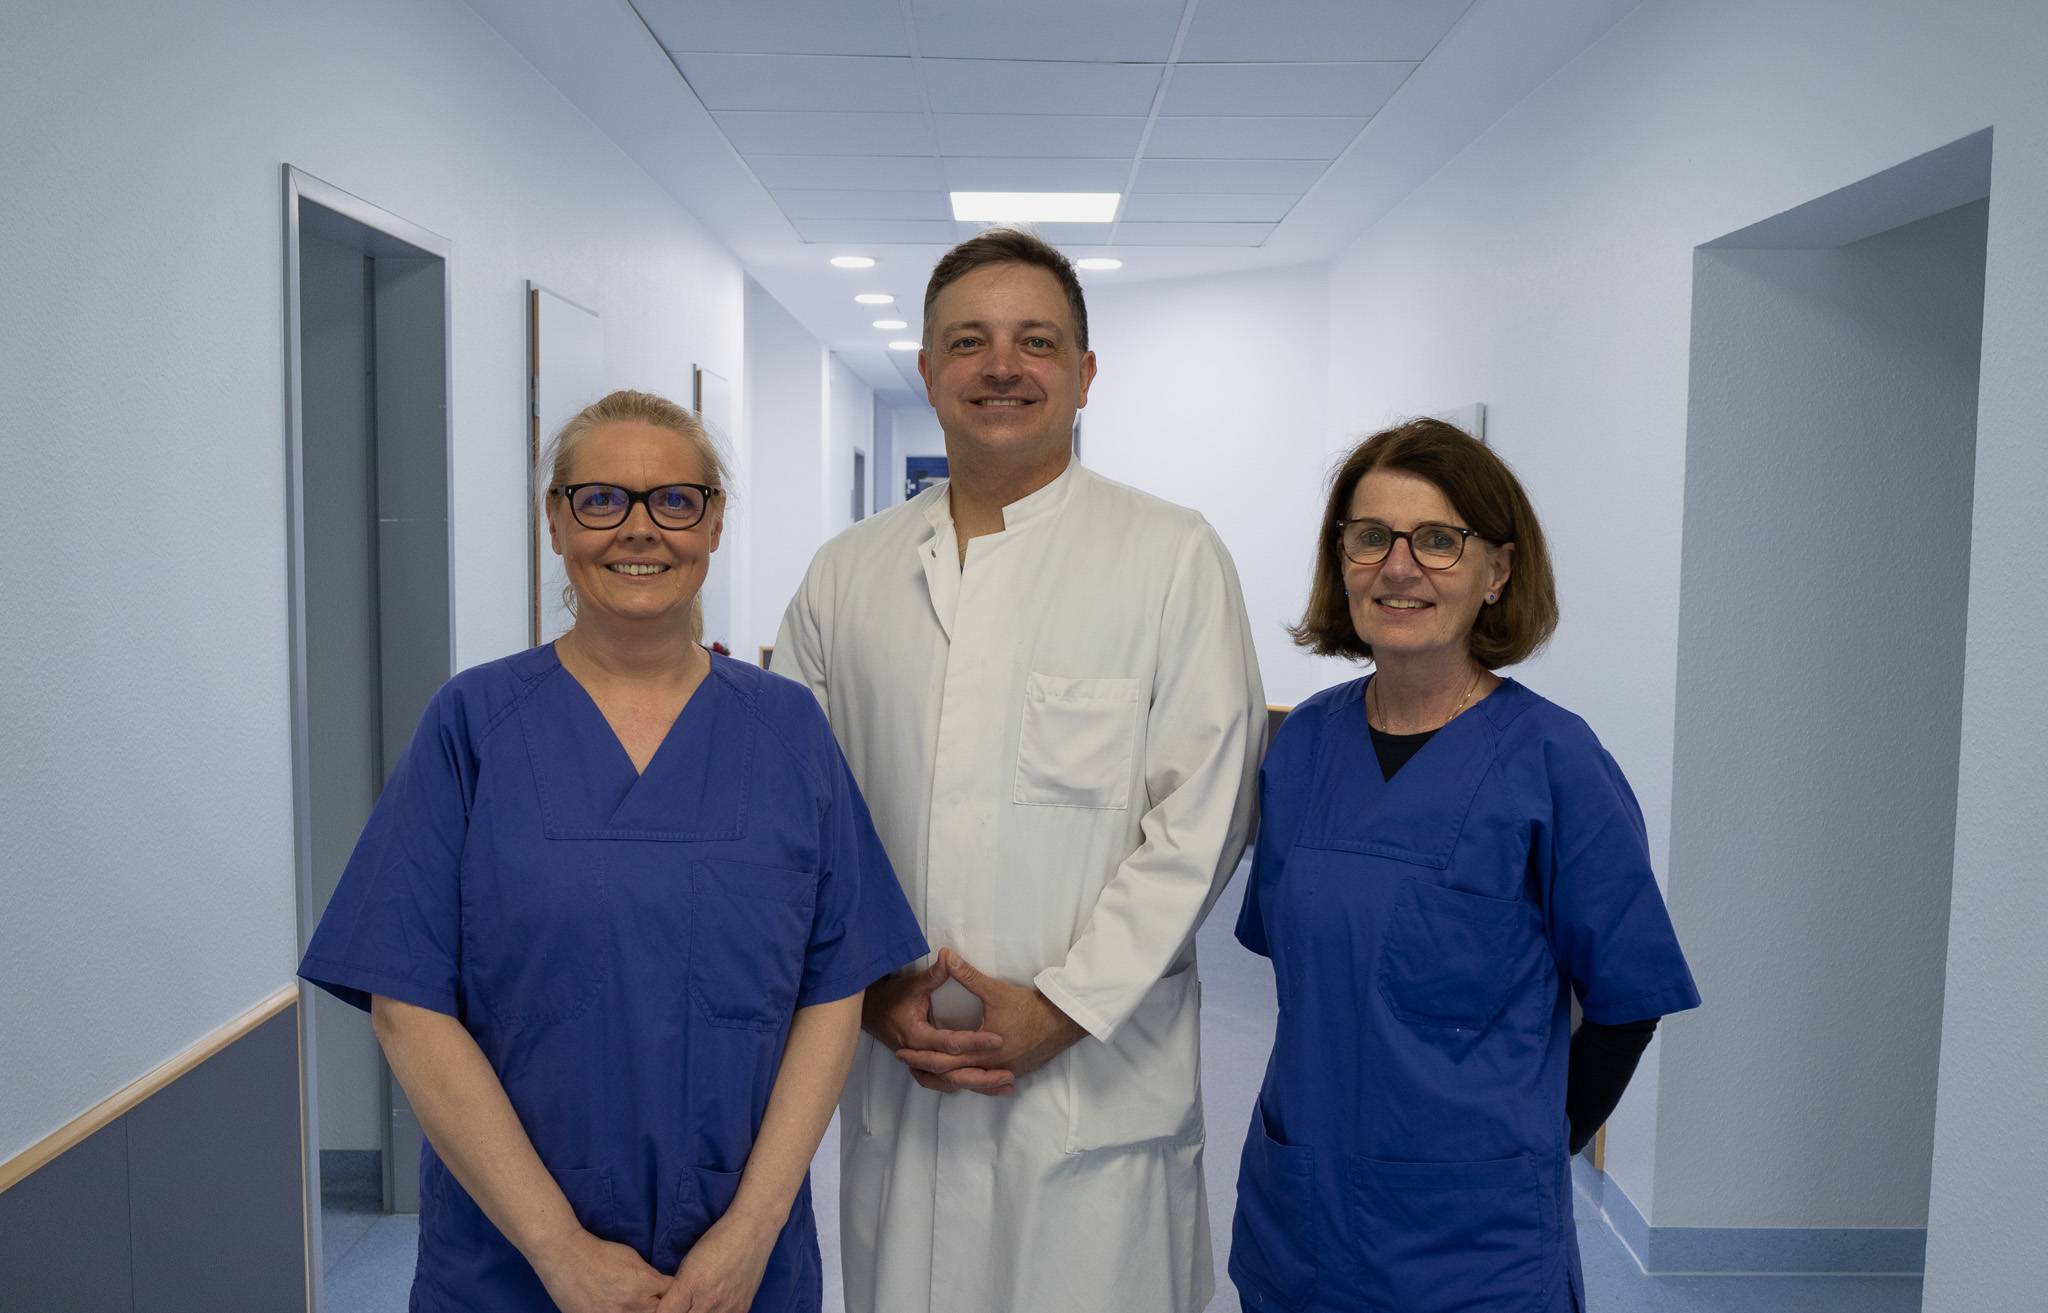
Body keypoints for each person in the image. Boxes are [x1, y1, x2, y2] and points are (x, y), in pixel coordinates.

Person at [299, 389, 927, 1313]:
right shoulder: (472, 726)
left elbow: (833, 986)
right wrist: (559, 1252)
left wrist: (751, 1234)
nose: (640, 530)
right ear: (557, 521)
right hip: (510, 1263)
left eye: (675, 500)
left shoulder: (787, 728)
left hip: (737, 1267)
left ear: (714, 522)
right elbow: (406, 1005)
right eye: (601, 500)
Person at [773, 229, 1264, 1313]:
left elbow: (1206, 812)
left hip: (1094, 1084)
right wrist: (866, 989)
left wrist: (1065, 1003)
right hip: (900, 1068)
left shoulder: (1168, 554)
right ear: (926, 369)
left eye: (1035, 340)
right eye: (968, 340)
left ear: (1084, 373)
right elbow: (796, 814)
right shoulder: (844, 575)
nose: (1001, 365)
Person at [1229, 418, 1700, 1313]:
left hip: (1473, 1244)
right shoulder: (1302, 748)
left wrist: (1519, 1146)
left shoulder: (1556, 762)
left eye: (1439, 540)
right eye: (1371, 536)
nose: (1399, 566)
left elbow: (1627, 1002)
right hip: (1302, 1218)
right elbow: (1305, 980)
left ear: (1499, 570)